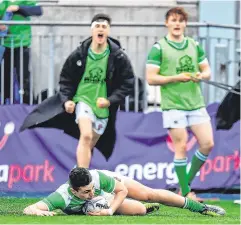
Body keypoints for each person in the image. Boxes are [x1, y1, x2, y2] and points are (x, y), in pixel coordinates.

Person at [20, 13, 134, 167]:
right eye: (97, 26)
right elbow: (66, 79)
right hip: (83, 100)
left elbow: (128, 82)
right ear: (91, 31)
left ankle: (78, 175)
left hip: (103, 108)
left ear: (108, 31)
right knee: (86, 135)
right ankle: (82, 177)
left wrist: (110, 100)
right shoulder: (79, 54)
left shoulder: (118, 57)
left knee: (90, 144)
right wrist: (67, 100)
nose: (101, 29)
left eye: (104, 27)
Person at [146, 7, 214, 201]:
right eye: (173, 20)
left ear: (185, 24)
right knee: (181, 146)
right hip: (173, 104)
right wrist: (177, 77)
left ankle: (185, 185)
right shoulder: (159, 47)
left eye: (181, 20)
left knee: (208, 144)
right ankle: (185, 193)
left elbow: (207, 71)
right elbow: (151, 78)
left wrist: (201, 75)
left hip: (195, 103)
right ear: (166, 23)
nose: (177, 24)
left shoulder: (194, 44)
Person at [23, 167, 225, 216]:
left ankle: (201, 207)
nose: (91, 193)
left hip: (112, 188)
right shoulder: (61, 197)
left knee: (148, 194)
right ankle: (144, 209)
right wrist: (42, 212)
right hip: (99, 203)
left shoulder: (97, 179)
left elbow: (122, 190)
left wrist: (109, 211)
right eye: (85, 192)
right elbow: (29, 209)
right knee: (139, 210)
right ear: (74, 191)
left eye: (92, 189)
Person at [0, 0, 42, 104]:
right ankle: (5, 104)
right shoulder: (4, 3)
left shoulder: (27, 1)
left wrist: (18, 8)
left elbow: (38, 10)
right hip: (7, 45)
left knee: (23, 76)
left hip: (22, 44)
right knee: (5, 76)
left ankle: (28, 104)